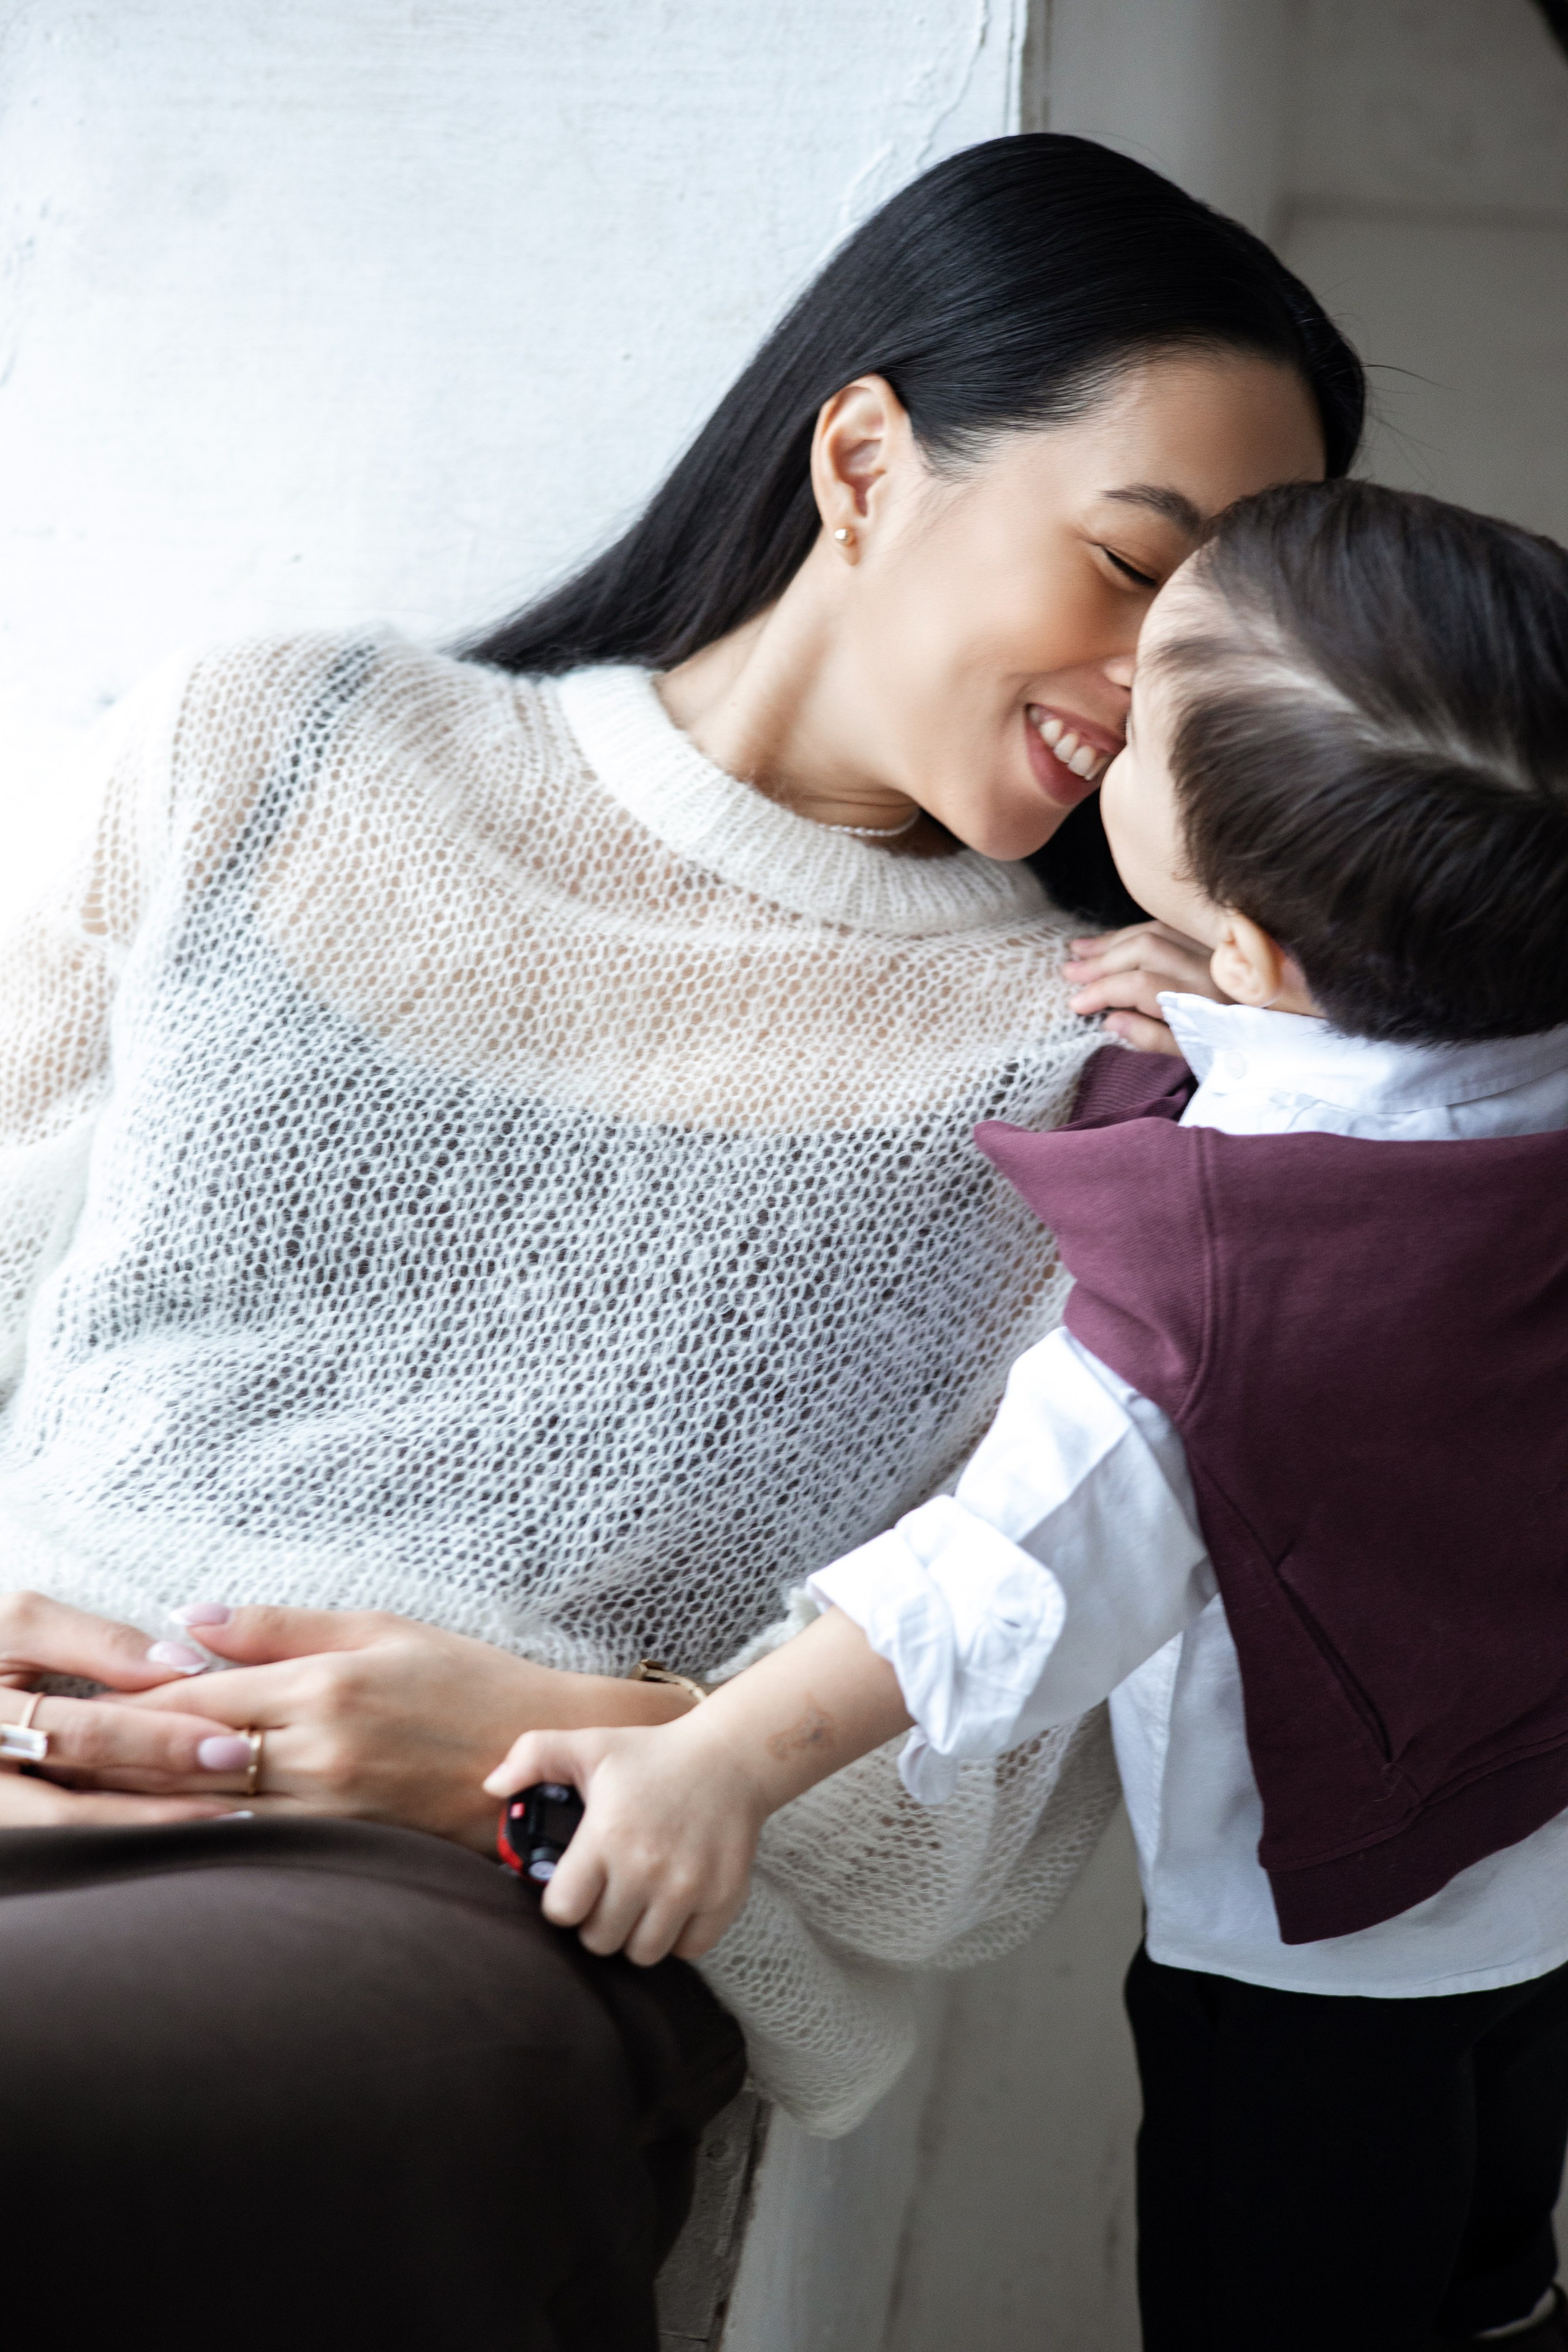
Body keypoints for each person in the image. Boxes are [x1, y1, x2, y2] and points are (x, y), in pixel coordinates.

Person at [0, 137, 1358, 2346]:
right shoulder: (281, 749)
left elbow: (981, 1804)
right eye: (1129, 567)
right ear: (865, 459)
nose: (1153, 685)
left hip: (459, 1894)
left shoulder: (1111, 1075)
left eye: (1223, 652)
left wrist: (566, 1738)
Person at [495, 478, 1568, 2352]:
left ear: (1258, 951)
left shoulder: (1216, 1310)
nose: (1111, 690)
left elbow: (1001, 1575)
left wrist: (720, 1761)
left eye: (1147, 720)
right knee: (1486, 2247)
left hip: (1329, 1958)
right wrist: (1248, 1008)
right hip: (1541, 1840)